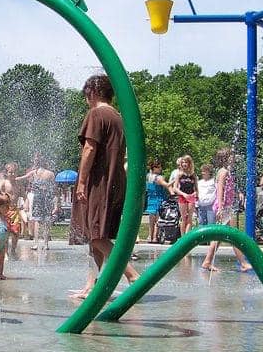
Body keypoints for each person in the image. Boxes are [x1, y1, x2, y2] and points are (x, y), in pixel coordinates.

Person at [68, 75, 140, 300]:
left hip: (99, 182)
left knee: (97, 237)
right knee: (94, 235)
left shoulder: (97, 114)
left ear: (93, 92)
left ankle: (131, 274)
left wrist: (81, 181)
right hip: (115, 181)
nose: (85, 100)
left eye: (86, 95)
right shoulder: (118, 117)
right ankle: (92, 286)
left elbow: (89, 149)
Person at [201, 148, 252, 272]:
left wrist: (237, 194)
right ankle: (243, 263)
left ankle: (207, 262)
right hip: (223, 207)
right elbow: (220, 189)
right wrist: (221, 208)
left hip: (225, 206)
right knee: (233, 235)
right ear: (225, 158)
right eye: (231, 156)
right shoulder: (223, 172)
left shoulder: (226, 171)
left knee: (220, 236)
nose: (233, 158)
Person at [27, 156, 56, 251]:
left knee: (37, 221)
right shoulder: (51, 174)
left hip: (38, 198)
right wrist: (56, 204)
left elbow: (22, 178)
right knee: (46, 221)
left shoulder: (34, 172)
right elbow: (54, 190)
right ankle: (46, 244)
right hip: (47, 198)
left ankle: (36, 244)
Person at [144, 159, 169, 244]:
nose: (160, 168)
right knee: (158, 219)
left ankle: (150, 237)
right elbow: (166, 185)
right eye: (159, 167)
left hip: (150, 198)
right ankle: (155, 237)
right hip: (159, 198)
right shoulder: (159, 177)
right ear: (155, 168)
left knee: (151, 219)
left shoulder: (147, 176)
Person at [172, 155, 197, 236]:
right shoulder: (179, 174)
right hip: (182, 197)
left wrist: (195, 193)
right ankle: (183, 237)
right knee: (183, 217)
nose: (184, 164)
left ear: (189, 163)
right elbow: (175, 188)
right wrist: (183, 194)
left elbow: (196, 188)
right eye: (183, 162)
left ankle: (187, 235)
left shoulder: (193, 175)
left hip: (191, 197)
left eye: (186, 162)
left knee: (189, 218)